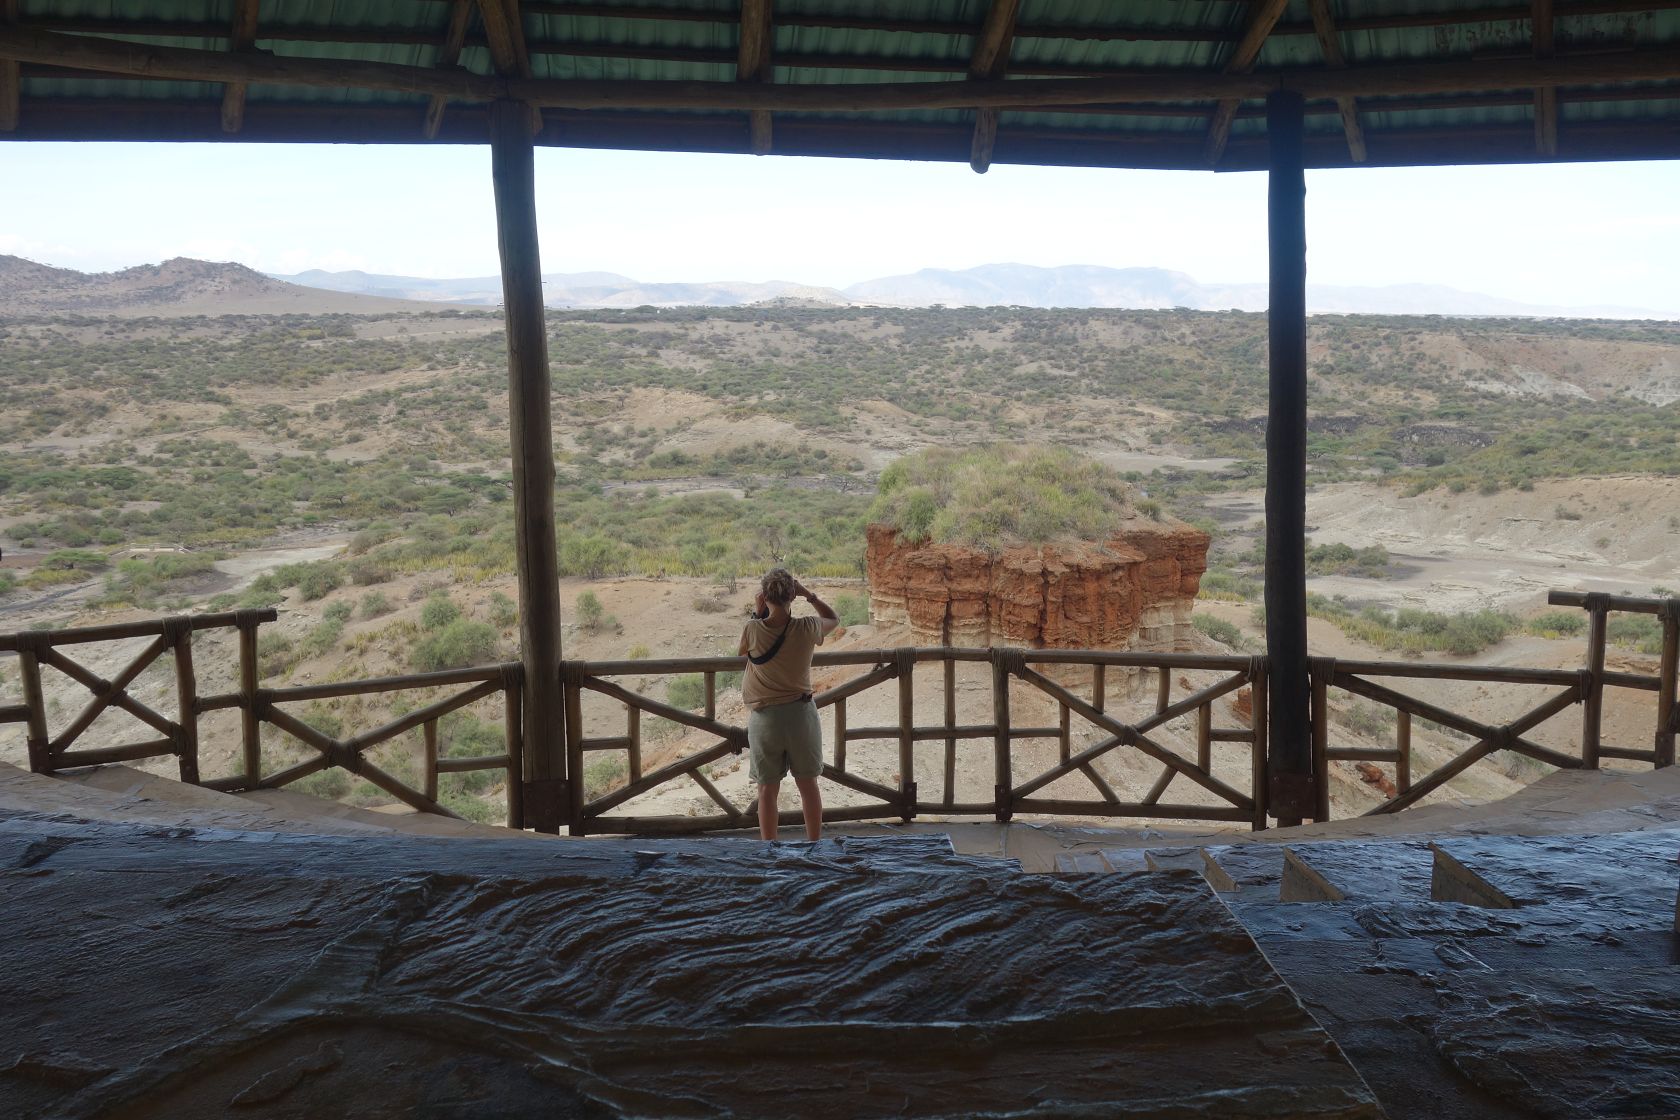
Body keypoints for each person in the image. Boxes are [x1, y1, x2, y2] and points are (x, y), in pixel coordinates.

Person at [737, 568, 838, 841]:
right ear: (792, 595)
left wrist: (759, 612)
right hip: (800, 716)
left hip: (764, 719)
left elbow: (744, 652)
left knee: (766, 790)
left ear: (764, 595)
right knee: (808, 786)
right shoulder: (807, 627)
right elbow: (833, 619)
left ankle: (769, 850)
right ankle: (814, 845)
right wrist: (809, 595)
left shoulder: (752, 628)